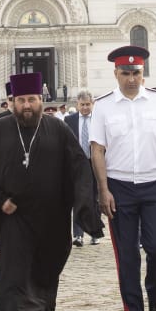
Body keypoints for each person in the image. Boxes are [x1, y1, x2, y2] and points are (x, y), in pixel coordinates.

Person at [0, 72, 104, 311]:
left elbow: (78, 167)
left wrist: (84, 204)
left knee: (45, 270)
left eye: (31, 99)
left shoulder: (57, 129)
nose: (26, 105)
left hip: (51, 217)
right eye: (21, 100)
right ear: (12, 102)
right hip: (13, 217)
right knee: (13, 272)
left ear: (42, 100)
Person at [89, 44, 156, 311]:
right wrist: (103, 190)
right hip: (119, 188)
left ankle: (155, 298)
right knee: (127, 256)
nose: (131, 78)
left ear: (143, 74)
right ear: (116, 73)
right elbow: (97, 150)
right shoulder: (103, 106)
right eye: (126, 73)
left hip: (155, 184)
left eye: (137, 73)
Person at [64, 90, 99, 246]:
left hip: (95, 163)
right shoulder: (69, 120)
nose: (85, 108)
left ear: (92, 104)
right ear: (77, 105)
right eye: (82, 104)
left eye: (88, 104)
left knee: (94, 199)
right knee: (78, 198)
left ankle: (95, 233)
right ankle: (78, 235)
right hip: (77, 165)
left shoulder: (99, 119)